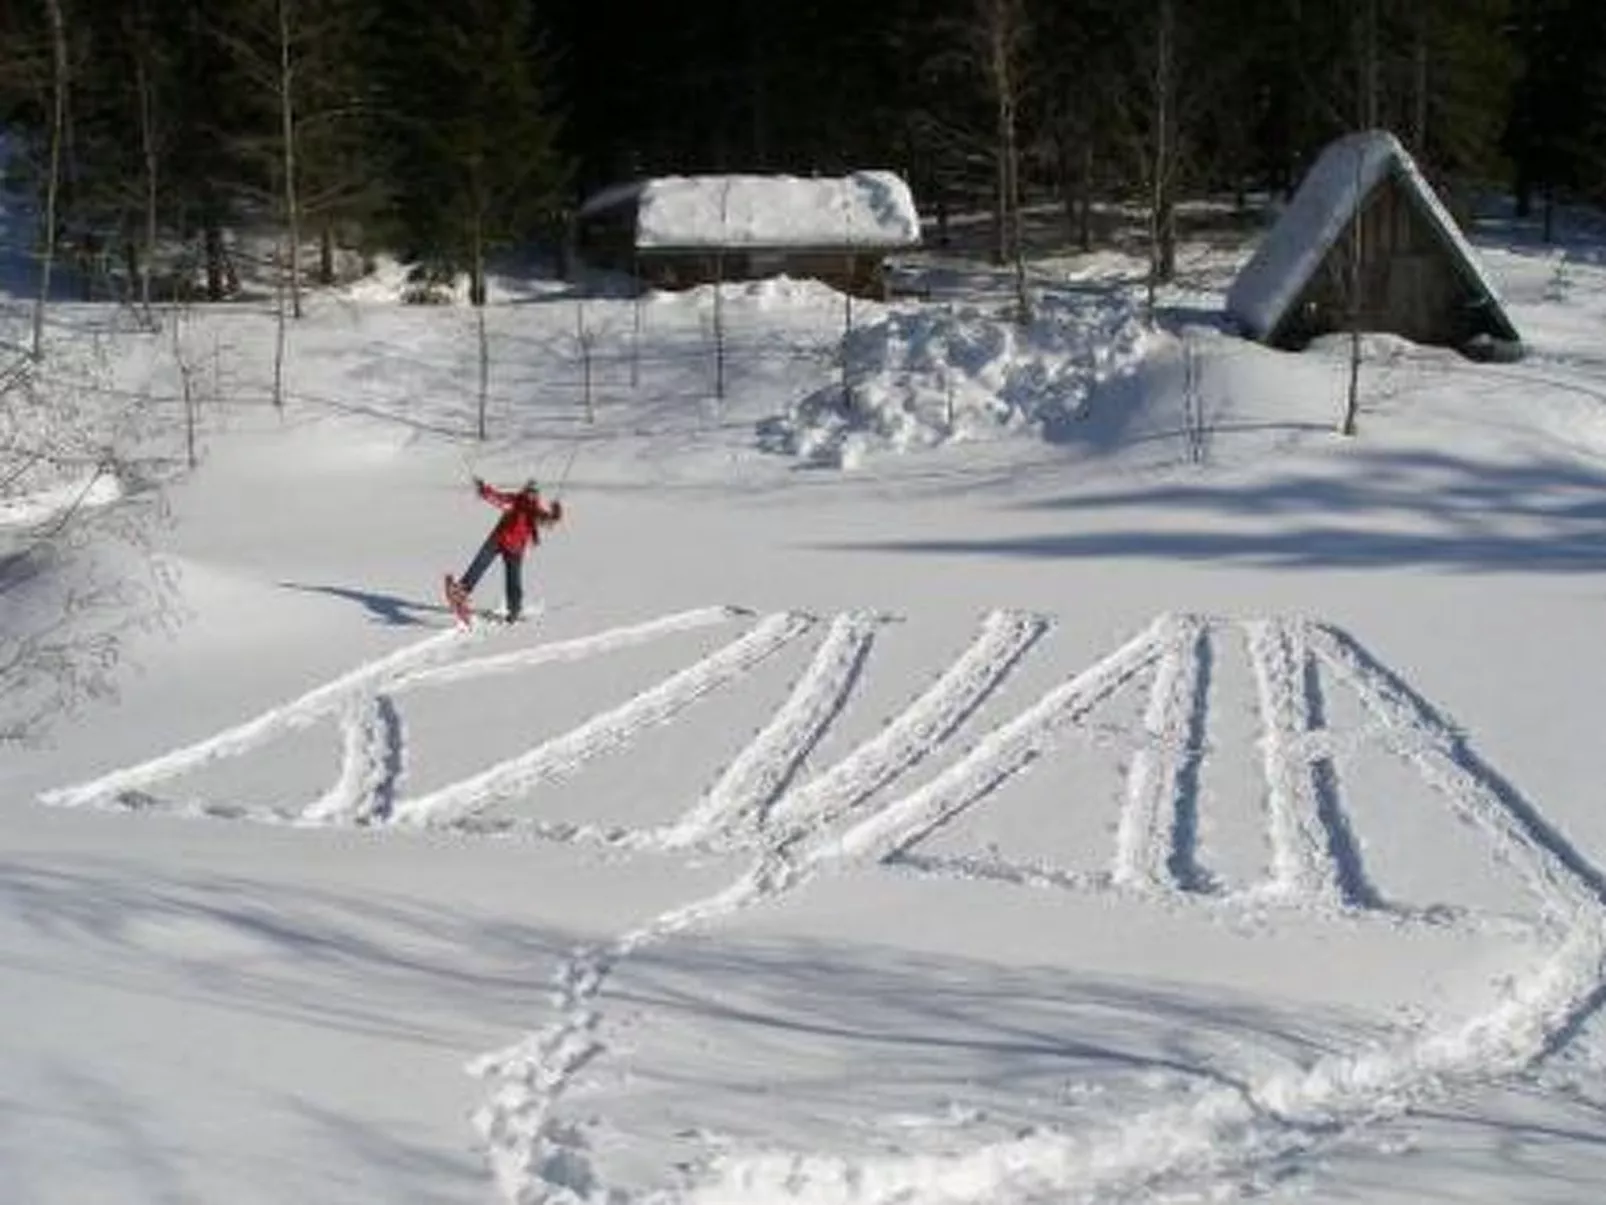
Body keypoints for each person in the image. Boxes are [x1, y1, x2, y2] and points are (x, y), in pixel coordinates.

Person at [448, 477, 562, 622]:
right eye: (528, 491)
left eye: (533, 492)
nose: (530, 494)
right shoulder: (514, 500)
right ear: (524, 490)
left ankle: (514, 609)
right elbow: (497, 498)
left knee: (513, 579)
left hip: (515, 548)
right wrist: (484, 490)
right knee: (480, 562)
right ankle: (463, 590)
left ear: (537, 495)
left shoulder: (535, 511)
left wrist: (555, 514)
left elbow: (547, 521)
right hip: (498, 539)